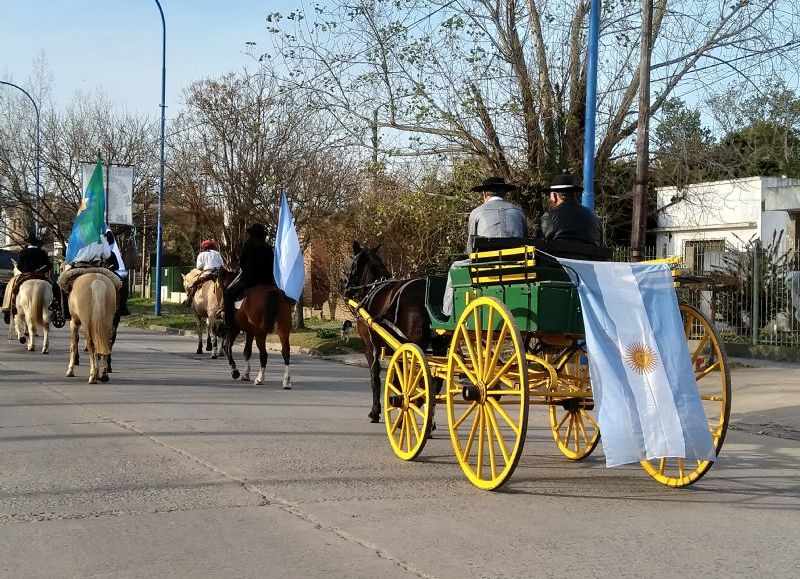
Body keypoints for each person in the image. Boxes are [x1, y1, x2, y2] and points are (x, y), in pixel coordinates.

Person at [442, 176, 528, 316]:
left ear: (484, 194)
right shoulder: (518, 212)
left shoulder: (477, 212)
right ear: (505, 194)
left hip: (486, 268)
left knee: (455, 267)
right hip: (516, 268)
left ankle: (447, 313)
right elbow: (526, 241)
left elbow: (470, 250)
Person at [220, 223, 275, 333]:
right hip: (267, 281)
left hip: (249, 281)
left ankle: (229, 323)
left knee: (228, 294)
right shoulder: (269, 248)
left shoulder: (248, 246)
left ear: (252, 235)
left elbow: (243, 264)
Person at [535, 174, 602, 245]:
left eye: (550, 196)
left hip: (558, 256)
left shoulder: (549, 217)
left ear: (554, 197)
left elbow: (538, 246)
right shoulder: (593, 218)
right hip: (591, 256)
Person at [2, 233, 54, 324]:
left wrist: (26, 271)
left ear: (28, 243)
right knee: (55, 287)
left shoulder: (23, 252)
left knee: (11, 286)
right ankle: (59, 308)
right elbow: (49, 265)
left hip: (26, 275)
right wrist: (40, 271)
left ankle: (9, 306)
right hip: (40, 275)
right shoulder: (42, 253)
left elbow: (19, 267)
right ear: (37, 244)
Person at [184, 240, 225, 305]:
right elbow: (222, 265)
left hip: (207, 274)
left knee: (193, 284)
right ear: (213, 247)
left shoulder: (201, 255)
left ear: (203, 248)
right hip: (218, 274)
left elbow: (199, 267)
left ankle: (189, 301)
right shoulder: (217, 253)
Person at [105, 228, 130, 316]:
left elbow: (116, 266)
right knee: (121, 285)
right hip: (107, 272)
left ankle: (122, 306)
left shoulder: (111, 254)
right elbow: (117, 266)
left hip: (107, 271)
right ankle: (122, 307)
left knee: (122, 284)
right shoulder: (110, 253)